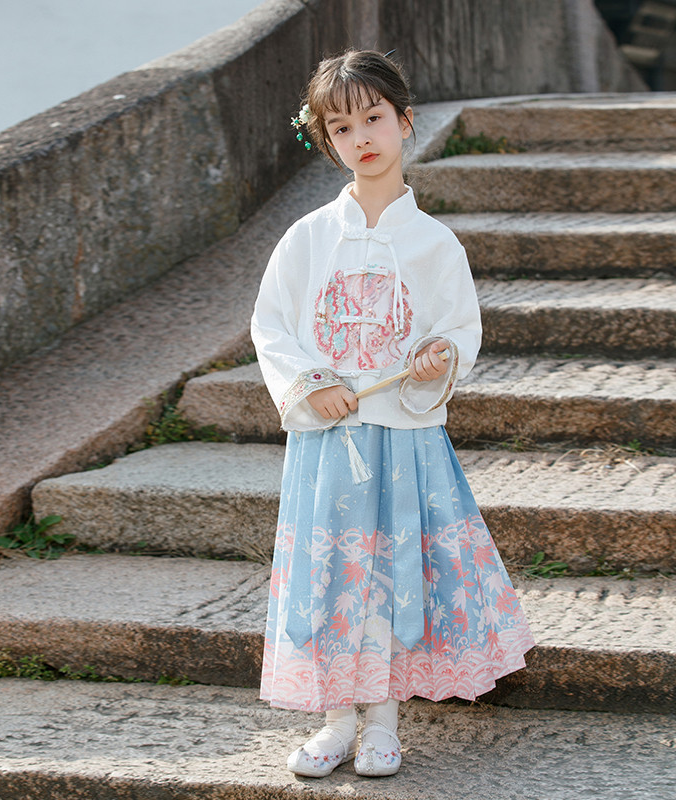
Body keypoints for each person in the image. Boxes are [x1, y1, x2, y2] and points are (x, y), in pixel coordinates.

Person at [250, 49, 535, 779]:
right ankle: (335, 717)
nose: (362, 137)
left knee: (392, 569)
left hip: (402, 439)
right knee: (331, 576)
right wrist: (313, 383)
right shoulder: (306, 238)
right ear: (328, 140)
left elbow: (456, 329)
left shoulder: (434, 243)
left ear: (405, 123)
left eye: (374, 118)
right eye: (342, 127)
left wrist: (438, 359)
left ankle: (382, 718)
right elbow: (272, 326)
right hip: (328, 442)